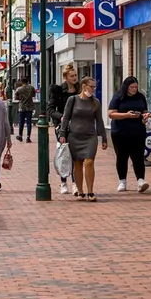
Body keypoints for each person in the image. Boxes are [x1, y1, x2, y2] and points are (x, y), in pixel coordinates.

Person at [59, 76, 108, 201]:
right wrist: (62, 134)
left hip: (90, 137)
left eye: (94, 87)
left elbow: (99, 121)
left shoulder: (95, 102)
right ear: (83, 86)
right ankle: (80, 191)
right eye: (91, 87)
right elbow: (66, 117)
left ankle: (90, 191)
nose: (93, 89)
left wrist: (104, 137)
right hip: (75, 136)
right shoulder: (73, 99)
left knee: (89, 161)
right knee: (77, 163)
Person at [108, 76, 150, 193]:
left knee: (138, 156)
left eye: (136, 87)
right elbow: (111, 113)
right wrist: (126, 115)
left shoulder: (141, 97)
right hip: (120, 132)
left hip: (138, 131)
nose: (134, 89)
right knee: (122, 157)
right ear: (126, 87)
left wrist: (145, 117)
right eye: (132, 87)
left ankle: (141, 180)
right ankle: (122, 181)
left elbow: (144, 111)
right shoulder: (118, 97)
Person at [49, 65, 81, 196]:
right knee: (64, 154)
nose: (75, 78)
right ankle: (63, 182)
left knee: (75, 155)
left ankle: (75, 184)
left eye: (75, 75)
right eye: (72, 76)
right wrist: (61, 117)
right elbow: (50, 109)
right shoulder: (57, 91)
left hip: (78, 125)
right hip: (62, 126)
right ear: (65, 77)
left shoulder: (80, 89)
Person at [14, 77, 35, 143]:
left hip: (22, 107)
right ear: (28, 81)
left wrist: (21, 98)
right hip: (29, 107)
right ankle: (28, 137)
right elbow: (33, 95)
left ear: (22, 82)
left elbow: (16, 98)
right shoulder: (31, 88)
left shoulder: (19, 89)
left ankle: (20, 135)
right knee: (29, 122)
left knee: (21, 122)